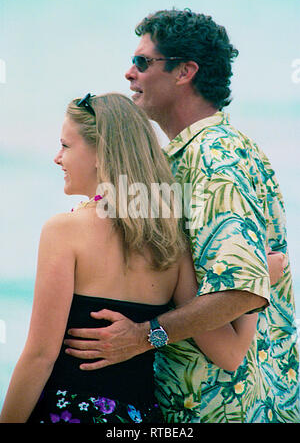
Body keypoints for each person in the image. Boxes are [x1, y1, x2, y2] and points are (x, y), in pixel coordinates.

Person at [63, 10, 300, 423]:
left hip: (231, 410)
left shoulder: (216, 157)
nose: (129, 73)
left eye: (142, 62)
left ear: (185, 71)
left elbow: (241, 291)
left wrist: (142, 336)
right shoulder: (184, 156)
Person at [0, 93, 280, 424]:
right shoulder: (171, 243)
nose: (57, 157)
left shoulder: (63, 231)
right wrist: (257, 280)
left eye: (66, 145)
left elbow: (39, 357)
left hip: (68, 413)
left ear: (101, 153)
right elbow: (230, 354)